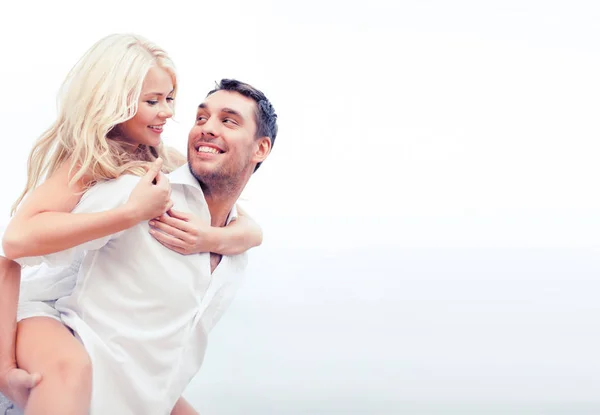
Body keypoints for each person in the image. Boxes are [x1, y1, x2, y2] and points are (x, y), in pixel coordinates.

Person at [0, 34, 263, 415]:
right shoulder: (88, 163)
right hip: (42, 314)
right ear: (115, 103)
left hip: (96, 335)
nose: (167, 113)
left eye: (170, 99)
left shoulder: (161, 162)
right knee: (71, 371)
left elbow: (250, 226)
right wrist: (130, 214)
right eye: (152, 101)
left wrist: (212, 237)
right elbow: (15, 243)